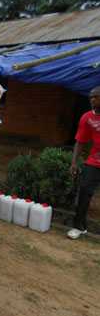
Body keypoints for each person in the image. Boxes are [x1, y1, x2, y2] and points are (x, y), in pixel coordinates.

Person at [68, 86, 100, 239]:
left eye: (96, 97)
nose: (92, 100)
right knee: (85, 191)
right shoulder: (87, 118)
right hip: (95, 161)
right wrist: (74, 162)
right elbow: (80, 141)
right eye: (91, 97)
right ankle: (79, 226)